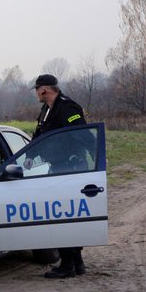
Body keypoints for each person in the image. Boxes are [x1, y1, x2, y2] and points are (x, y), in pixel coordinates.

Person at [31, 74, 87, 279]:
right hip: (57, 168)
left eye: (37, 90)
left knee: (65, 217)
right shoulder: (46, 110)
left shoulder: (67, 107)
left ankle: (68, 265)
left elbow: (82, 135)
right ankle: (77, 263)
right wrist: (27, 157)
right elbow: (40, 137)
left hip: (71, 169)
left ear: (44, 90)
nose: (36, 93)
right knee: (65, 216)